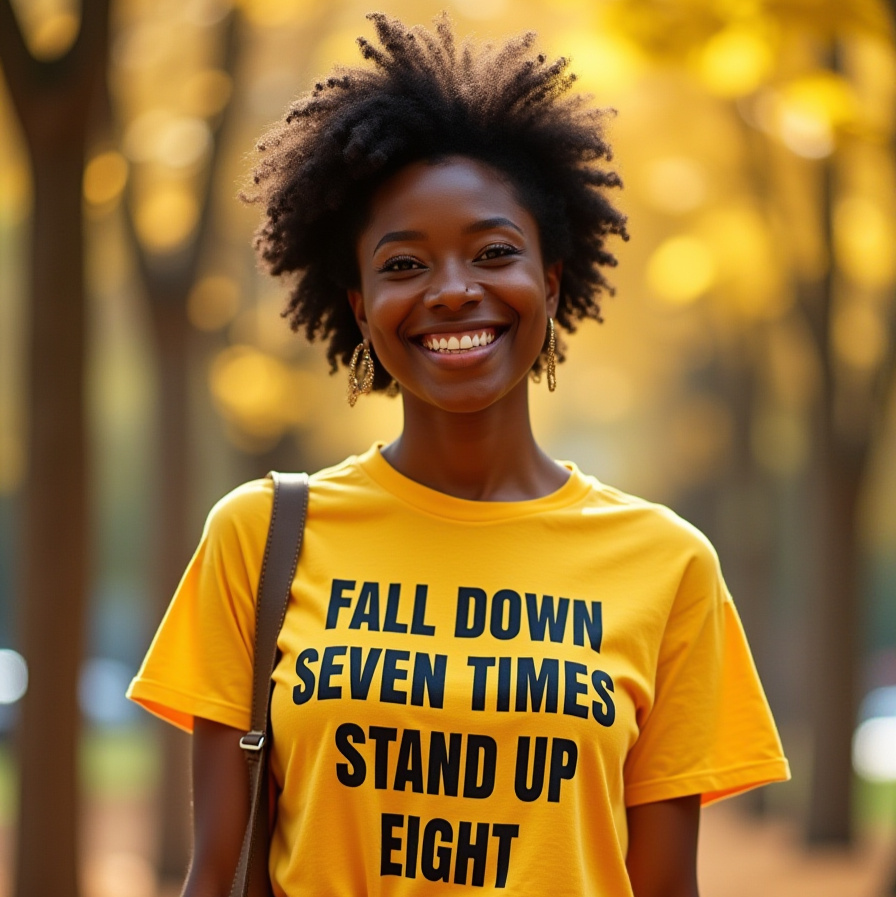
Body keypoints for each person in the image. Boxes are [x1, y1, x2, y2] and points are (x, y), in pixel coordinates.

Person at [128, 13, 790, 897]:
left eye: (493, 253)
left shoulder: (669, 568)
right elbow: (215, 874)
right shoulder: (262, 537)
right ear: (360, 305)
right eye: (404, 265)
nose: (453, 291)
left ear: (549, 281)